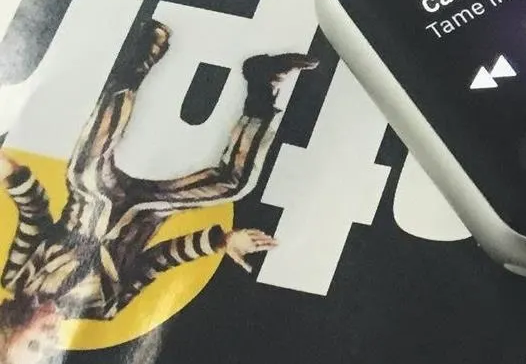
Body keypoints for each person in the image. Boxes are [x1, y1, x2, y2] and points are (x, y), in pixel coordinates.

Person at [0, 20, 316, 364]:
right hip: (148, 209)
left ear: (8, 328)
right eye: (47, 355)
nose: (49, 342)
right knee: (235, 184)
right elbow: (157, 261)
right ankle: (262, 84)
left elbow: (34, 213)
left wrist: (11, 174)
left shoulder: (16, 275)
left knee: (87, 169)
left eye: (33, 345)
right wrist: (222, 241)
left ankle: (139, 59)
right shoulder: (103, 309)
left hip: (93, 196)